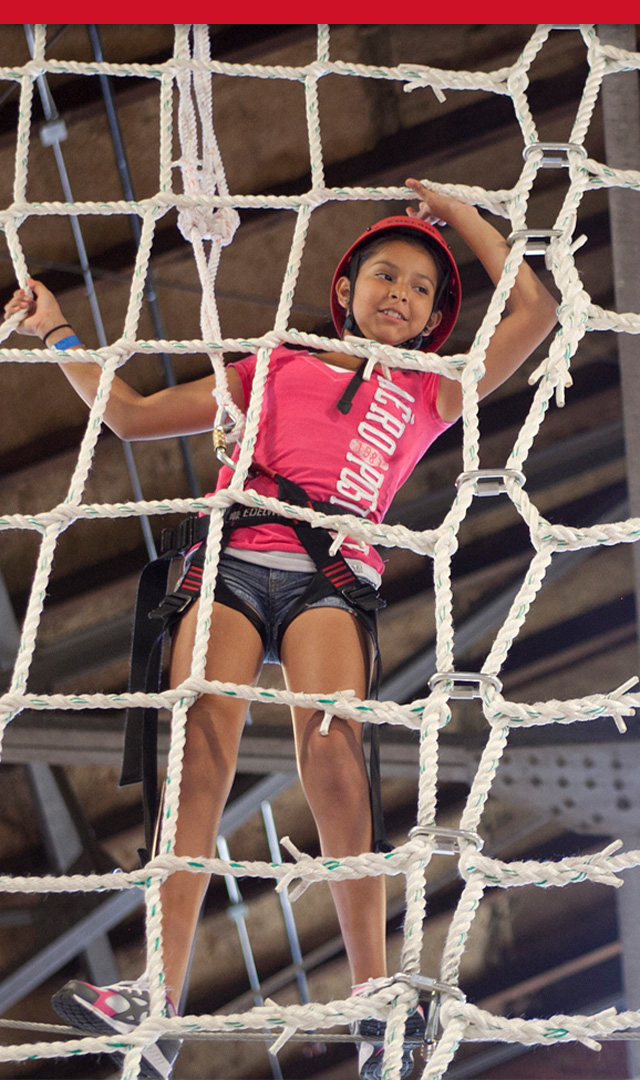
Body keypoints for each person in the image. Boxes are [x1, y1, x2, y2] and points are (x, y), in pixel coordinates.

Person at [4, 178, 557, 1080]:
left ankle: (377, 1000)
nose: (400, 295)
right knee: (199, 754)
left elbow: (532, 310)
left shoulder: (430, 391)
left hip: (333, 585)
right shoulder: (278, 366)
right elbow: (133, 415)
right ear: (345, 290)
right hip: (232, 563)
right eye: (385, 275)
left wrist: (459, 218)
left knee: (333, 752)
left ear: (431, 322)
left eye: (421, 290)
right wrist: (59, 330)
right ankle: (157, 994)